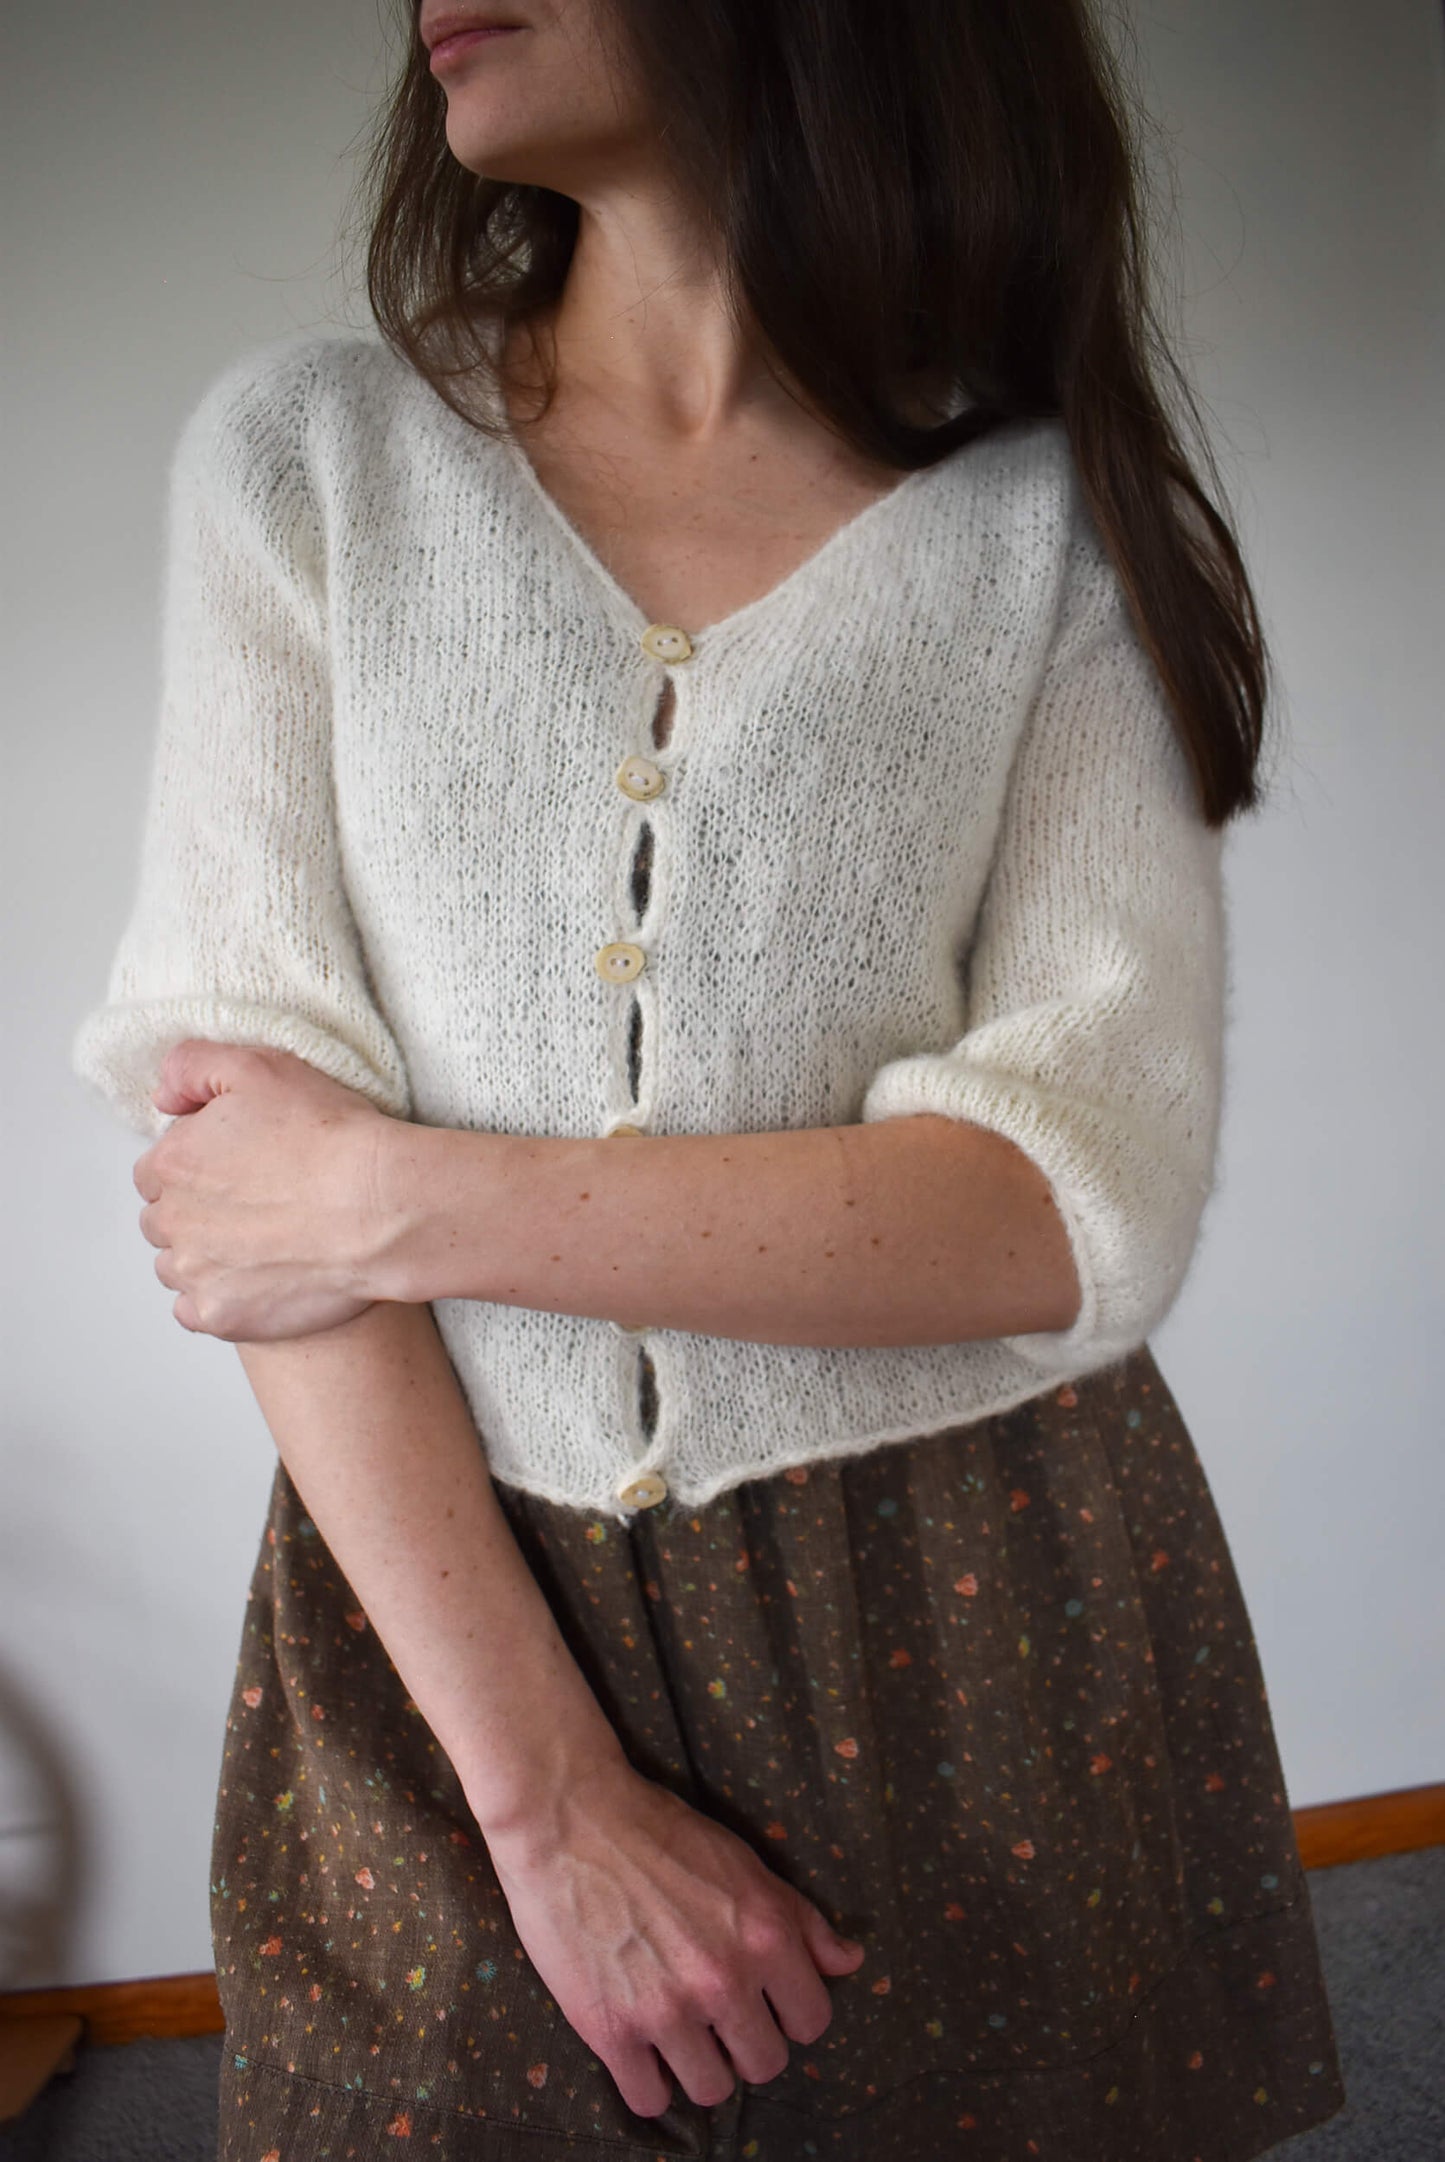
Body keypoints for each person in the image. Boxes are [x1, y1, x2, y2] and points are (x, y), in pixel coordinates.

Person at [71, 1, 1349, 2155]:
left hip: (977, 1590)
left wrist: (399, 1196)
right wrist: (552, 1807)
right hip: (449, 1610)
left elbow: (1062, 1204)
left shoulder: (1046, 527)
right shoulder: (309, 468)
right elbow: (234, 1149)